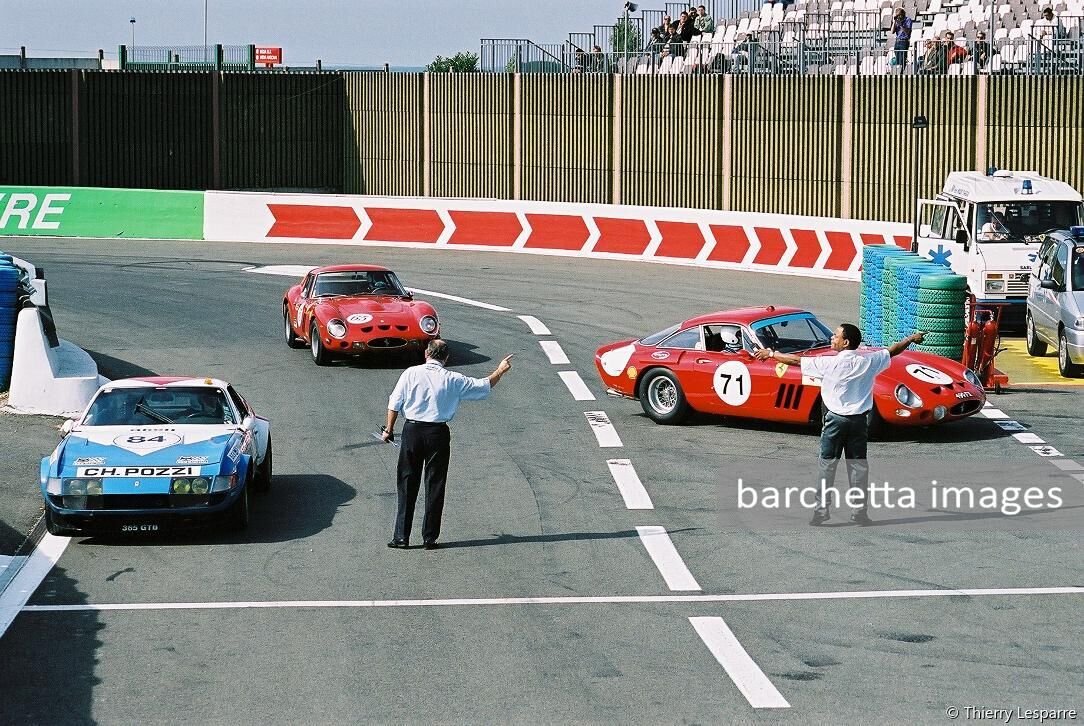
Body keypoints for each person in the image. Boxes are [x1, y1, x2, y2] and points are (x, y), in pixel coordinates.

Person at [754, 324, 925, 526]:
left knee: (827, 465)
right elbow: (893, 350)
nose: (832, 338)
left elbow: (795, 360)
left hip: (835, 420)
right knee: (858, 467)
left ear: (846, 343)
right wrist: (911, 338)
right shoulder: (869, 360)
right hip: (860, 422)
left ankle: (821, 512)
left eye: (836, 336)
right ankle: (859, 512)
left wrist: (771, 353)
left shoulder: (828, 363)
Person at [382, 339, 514, 549]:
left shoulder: (410, 373)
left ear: (426, 353)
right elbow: (483, 385)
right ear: (446, 358)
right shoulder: (453, 379)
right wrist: (500, 370)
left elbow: (394, 402)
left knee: (407, 482)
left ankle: (401, 537)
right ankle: (429, 537)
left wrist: (389, 429)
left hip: (412, 430)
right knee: (435, 484)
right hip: (437, 433)